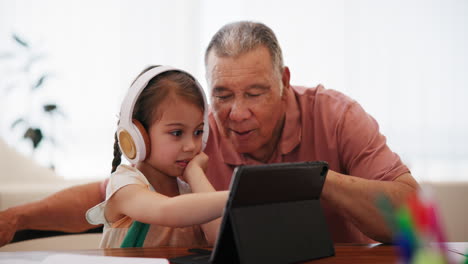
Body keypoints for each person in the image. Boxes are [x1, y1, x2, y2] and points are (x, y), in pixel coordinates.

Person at [0, 21, 418, 246]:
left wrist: (317, 181)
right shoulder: (194, 134)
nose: (236, 114)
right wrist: (18, 218)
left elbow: (413, 218)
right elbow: (105, 195)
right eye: (221, 94)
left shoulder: (337, 115)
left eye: (255, 93)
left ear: (284, 81)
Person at [86, 65, 228, 248]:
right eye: (177, 133)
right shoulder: (124, 186)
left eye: (198, 132)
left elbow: (218, 238)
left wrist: (195, 174)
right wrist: (237, 195)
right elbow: (167, 211)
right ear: (138, 136)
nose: (191, 146)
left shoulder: (191, 193)